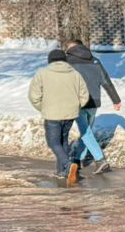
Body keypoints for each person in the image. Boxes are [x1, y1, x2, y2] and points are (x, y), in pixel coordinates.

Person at [28, 48, 91, 186]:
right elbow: (84, 95)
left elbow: (34, 96)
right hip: (70, 115)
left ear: (50, 61)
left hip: (52, 115)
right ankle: (61, 171)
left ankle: (68, 166)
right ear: (65, 60)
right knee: (63, 141)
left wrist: (43, 108)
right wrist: (76, 107)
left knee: (53, 143)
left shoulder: (42, 73)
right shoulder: (75, 74)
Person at [64, 38, 121, 173]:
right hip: (94, 102)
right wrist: (116, 100)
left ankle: (100, 160)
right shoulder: (95, 60)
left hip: (79, 102)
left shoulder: (68, 62)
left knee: (86, 133)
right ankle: (77, 160)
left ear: (70, 48)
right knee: (87, 132)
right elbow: (106, 81)